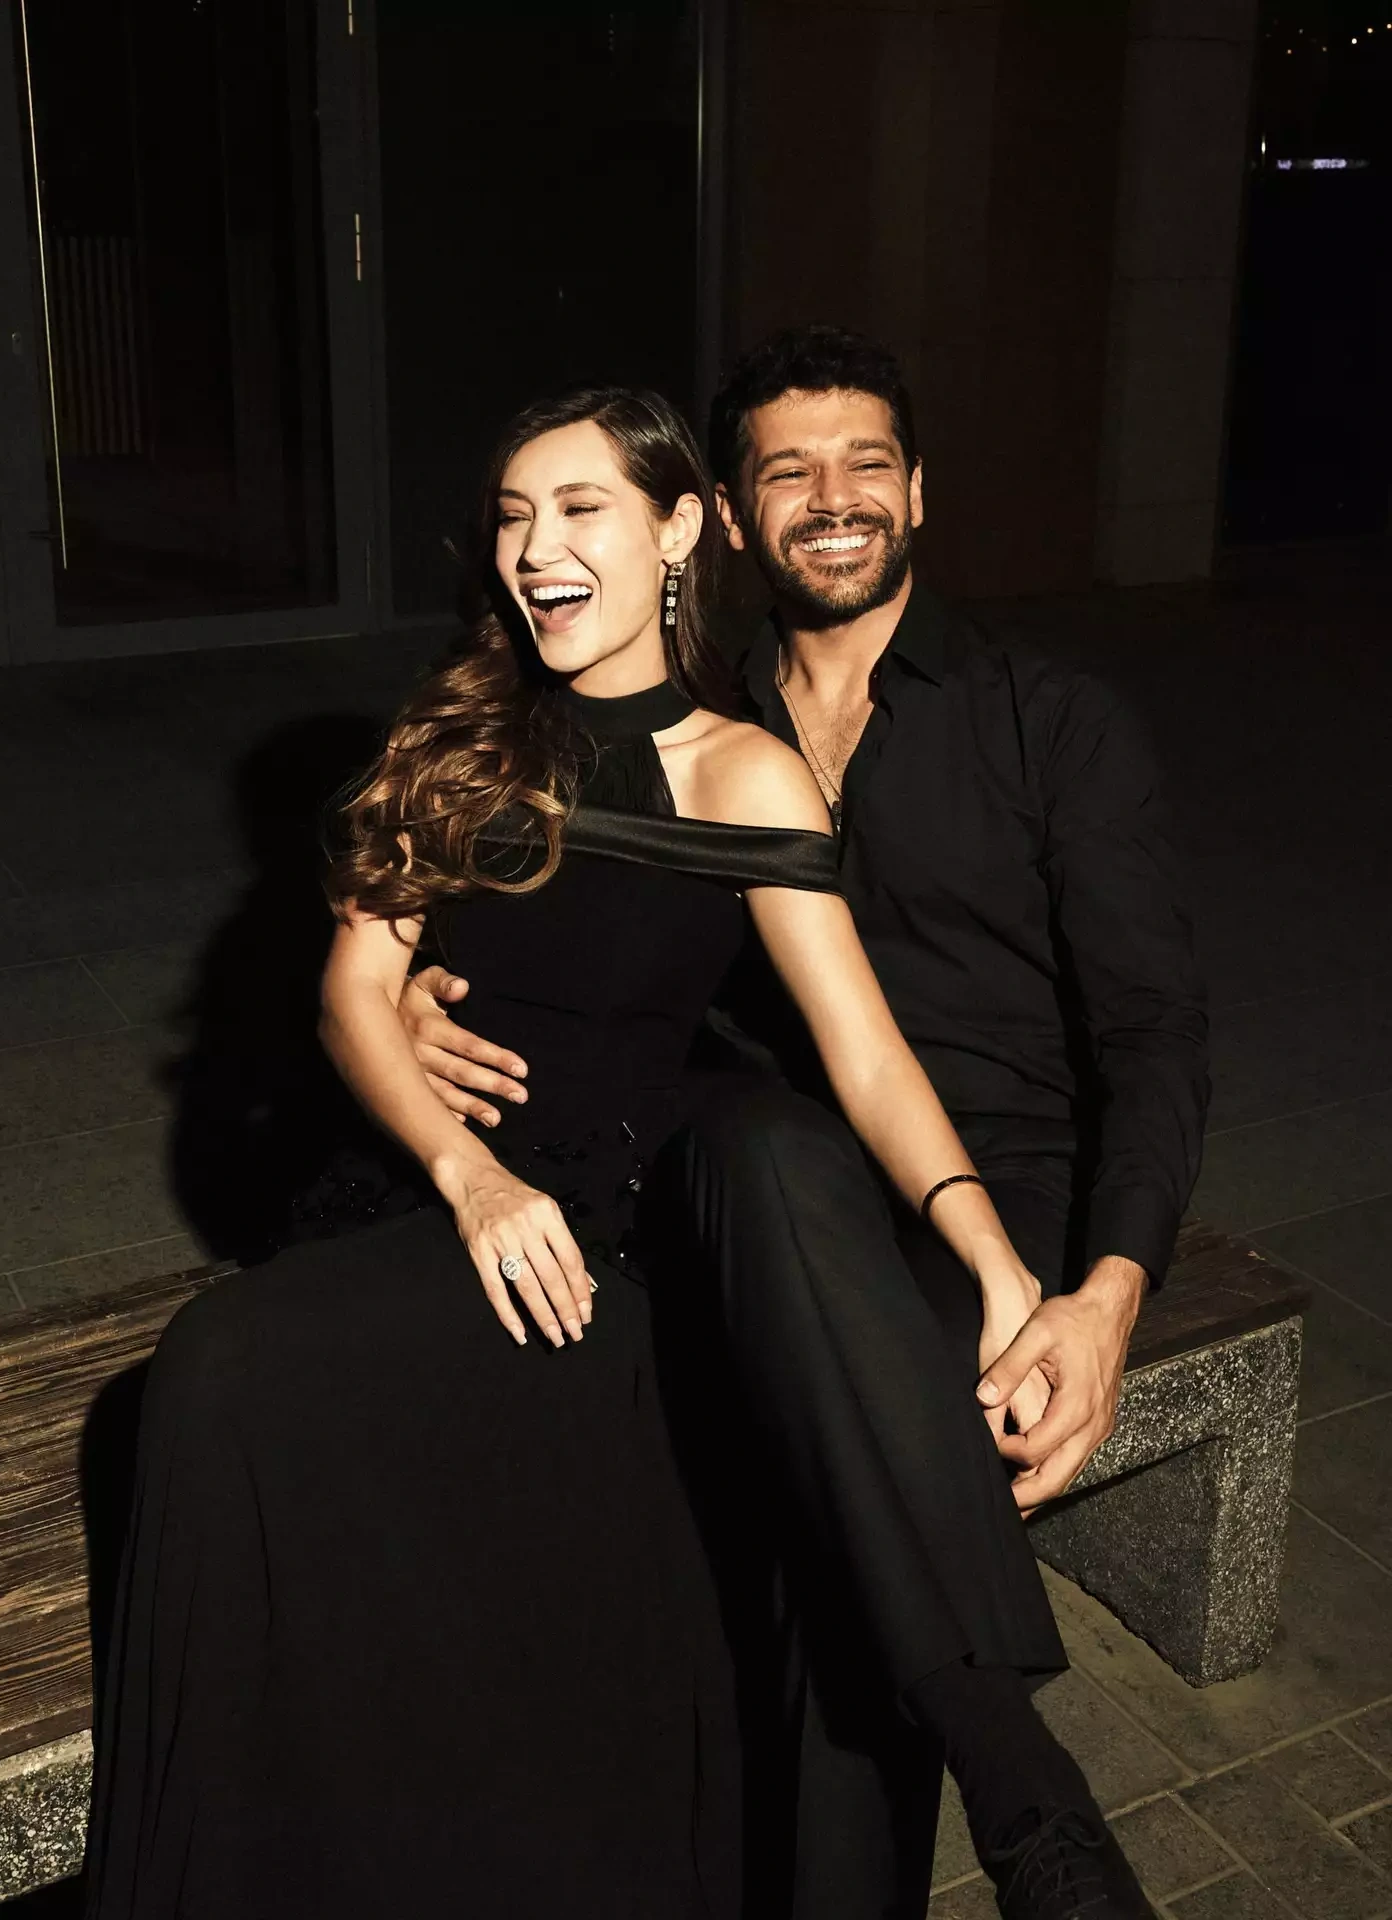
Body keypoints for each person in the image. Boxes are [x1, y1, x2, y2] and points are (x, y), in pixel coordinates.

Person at [82, 385, 1147, 1920]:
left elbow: (863, 1049)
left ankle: (1020, 1787)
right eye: (515, 518)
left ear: (680, 530)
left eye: (580, 509)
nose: (538, 550)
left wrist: (991, 1261)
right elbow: (353, 996)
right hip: (438, 1195)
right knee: (212, 1367)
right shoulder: (459, 735)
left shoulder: (744, 773)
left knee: (699, 1331)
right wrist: (468, 1175)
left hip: (623, 1225)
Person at [397, 332, 1207, 1917]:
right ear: (728, 514)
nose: (834, 499)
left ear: (919, 492)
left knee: (832, 1508)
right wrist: (436, 995)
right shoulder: (697, 695)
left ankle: (992, 1833)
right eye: (789, 472)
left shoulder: (1050, 721)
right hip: (745, 1150)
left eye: (866, 466)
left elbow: (1153, 1033)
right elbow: (576, 922)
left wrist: (1109, 1292)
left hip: (981, 1176)